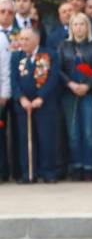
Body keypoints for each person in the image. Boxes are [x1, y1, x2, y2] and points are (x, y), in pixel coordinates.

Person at [57, 12, 92, 180]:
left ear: (87, 27)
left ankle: (89, 168)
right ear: (71, 27)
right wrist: (70, 84)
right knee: (73, 132)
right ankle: (76, 167)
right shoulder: (64, 46)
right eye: (75, 24)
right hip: (69, 94)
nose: (79, 27)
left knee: (88, 132)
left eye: (82, 24)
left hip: (88, 93)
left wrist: (87, 85)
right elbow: (58, 68)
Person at [11, 27, 61, 183]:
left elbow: (53, 78)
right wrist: (21, 98)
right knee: (25, 140)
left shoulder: (49, 54)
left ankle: (48, 172)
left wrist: (41, 97)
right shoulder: (16, 57)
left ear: (36, 40)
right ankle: (29, 173)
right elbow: (13, 80)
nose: (23, 42)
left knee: (46, 139)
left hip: (44, 105)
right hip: (24, 106)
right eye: (21, 39)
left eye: (26, 39)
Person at [0, 0, 16, 180]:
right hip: (2, 91)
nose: (5, 15)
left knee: (18, 133)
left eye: (9, 12)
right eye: (2, 11)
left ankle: (17, 171)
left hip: (18, 91)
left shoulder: (21, 34)